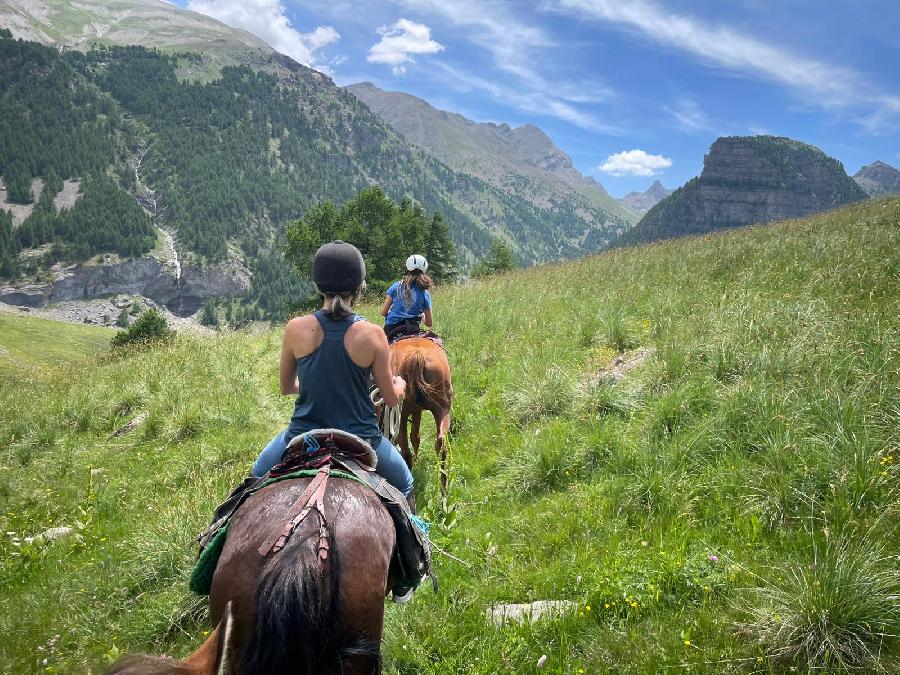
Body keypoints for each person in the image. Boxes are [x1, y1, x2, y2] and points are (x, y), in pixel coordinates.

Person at [251, 240, 414, 503]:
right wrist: (400, 385)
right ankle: (417, 543)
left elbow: (286, 387)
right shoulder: (373, 334)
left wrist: (319, 383)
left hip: (303, 436)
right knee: (405, 483)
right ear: (359, 287)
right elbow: (391, 398)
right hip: (362, 438)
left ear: (317, 286)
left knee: (257, 474)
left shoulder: (295, 328)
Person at [381, 254, 433, 339]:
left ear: (408, 268)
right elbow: (429, 323)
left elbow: (383, 313)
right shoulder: (424, 292)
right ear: (424, 270)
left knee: (381, 349)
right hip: (412, 329)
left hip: (391, 328)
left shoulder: (396, 286)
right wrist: (423, 317)